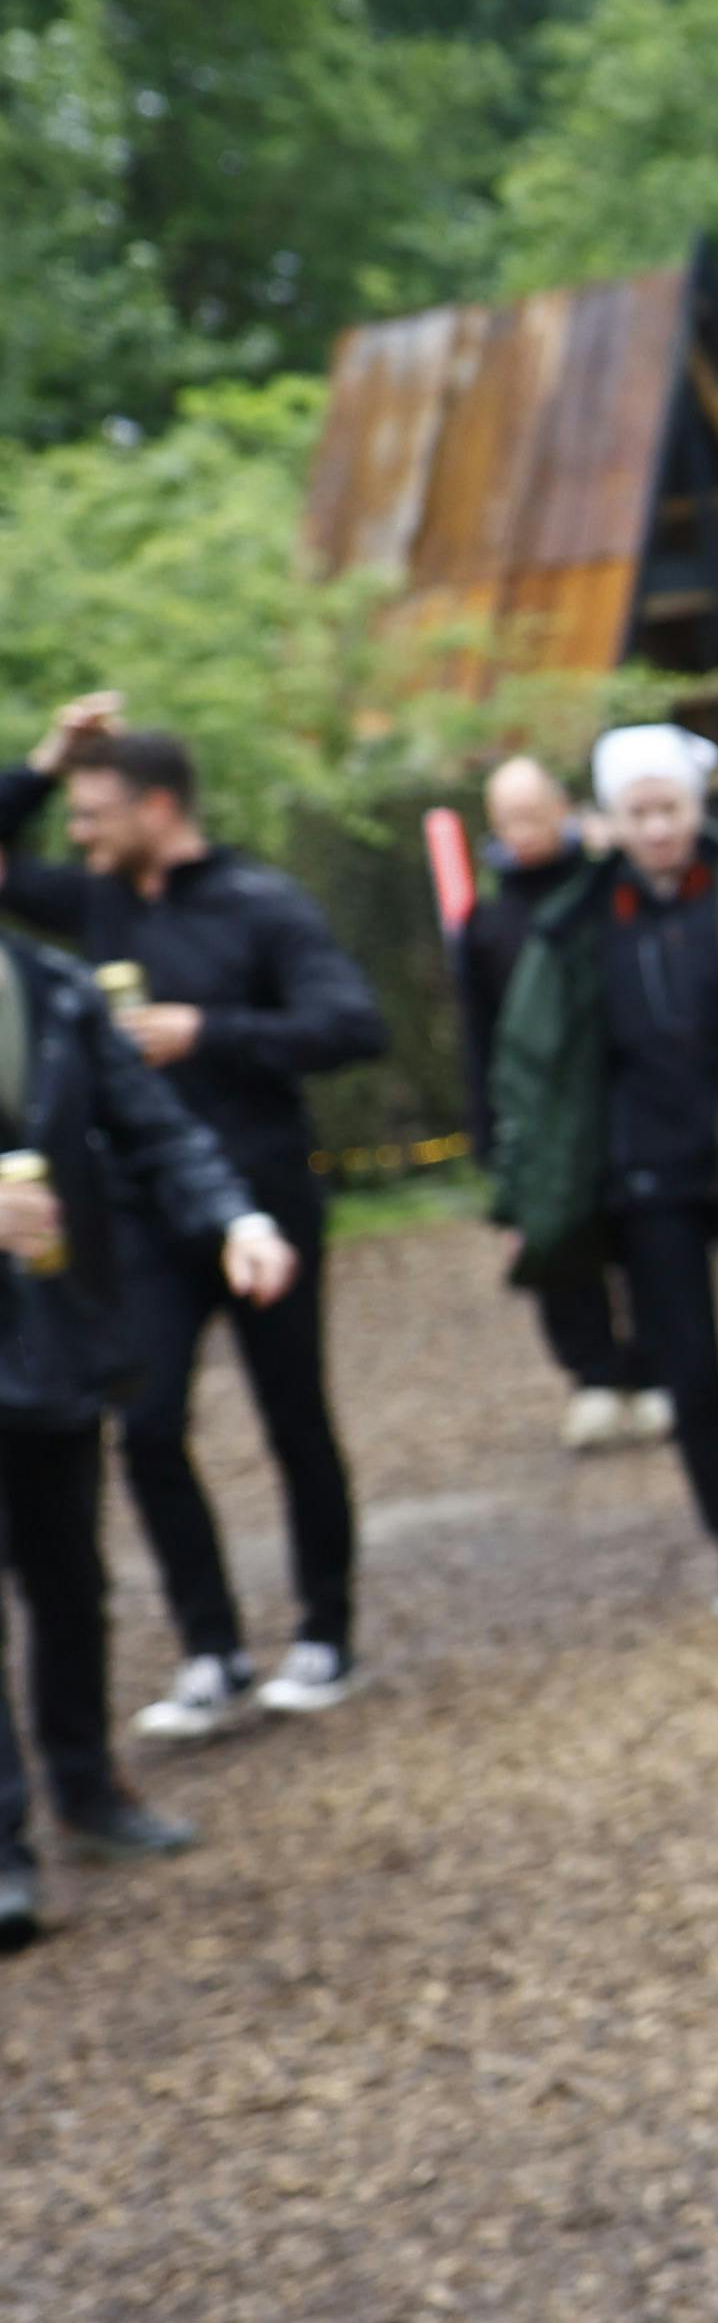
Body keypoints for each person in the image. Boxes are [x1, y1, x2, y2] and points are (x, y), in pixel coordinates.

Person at [0, 701, 384, 1733]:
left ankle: (324, 1635)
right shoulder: (97, 905)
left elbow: (353, 1023)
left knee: (294, 1418)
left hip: (263, 1199)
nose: (76, 834)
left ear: (157, 806)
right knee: (150, 1425)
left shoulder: (262, 902)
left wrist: (206, 1031)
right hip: (140, 1223)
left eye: (93, 811)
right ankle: (211, 1649)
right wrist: (43, 762)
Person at [490, 726, 718, 1622]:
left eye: (669, 807)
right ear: (608, 821)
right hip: (645, 1174)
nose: (658, 827)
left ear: (695, 805)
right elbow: (534, 1065)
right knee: (690, 1372)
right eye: (637, 813)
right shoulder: (575, 925)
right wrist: (527, 1191)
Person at [0, 925, 288, 1945]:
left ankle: (89, 1792)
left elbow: (156, 1127)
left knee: (70, 1581)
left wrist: (234, 1220)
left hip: (58, 1342)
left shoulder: (59, 992)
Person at [455, 752, 659, 1454]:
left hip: (623, 1101)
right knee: (558, 1246)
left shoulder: (612, 893)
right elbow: (478, 1038)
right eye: (507, 817)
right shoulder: (485, 925)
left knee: (643, 1242)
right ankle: (593, 1378)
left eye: (532, 812)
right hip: (540, 1121)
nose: (522, 829)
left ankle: (655, 1371)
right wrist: (491, 1139)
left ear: (561, 810)